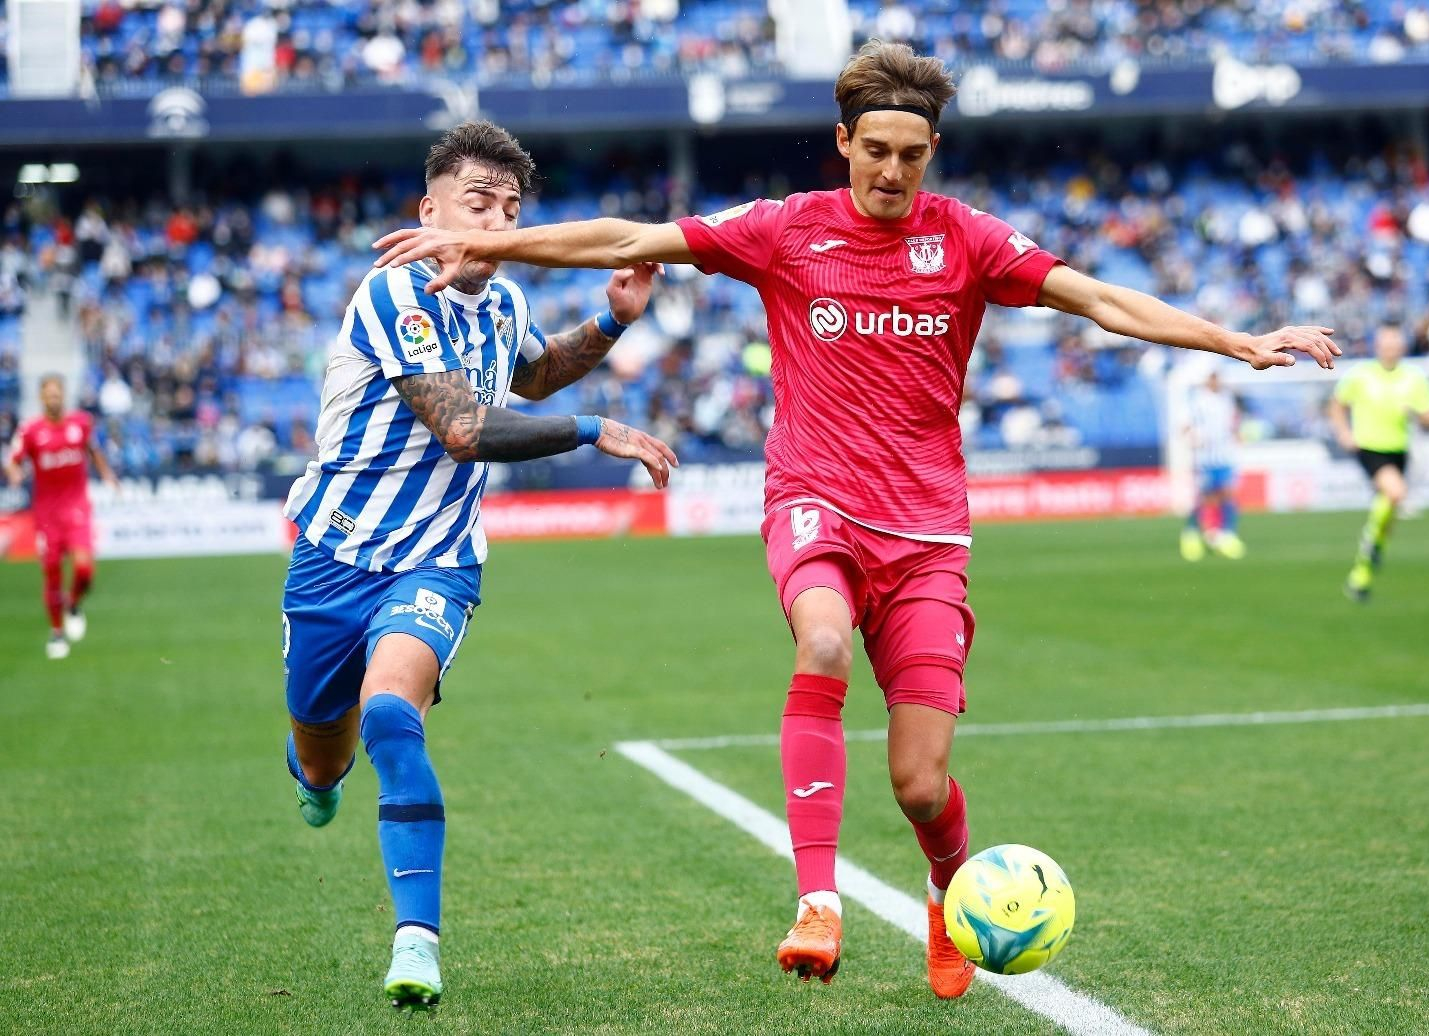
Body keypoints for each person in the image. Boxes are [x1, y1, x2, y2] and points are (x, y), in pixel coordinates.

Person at [371, 42, 1339, 999]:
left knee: (920, 784)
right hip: (814, 506)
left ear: (930, 154)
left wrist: (1236, 341)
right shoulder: (786, 230)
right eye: (874, 149)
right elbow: (630, 238)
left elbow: (1093, 298)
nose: (890, 171)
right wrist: (487, 244)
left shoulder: (966, 241)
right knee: (822, 641)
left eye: (910, 156)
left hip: (927, 540)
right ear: (843, 142)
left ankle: (946, 888)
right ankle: (817, 901)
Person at [281, 121, 677, 1010]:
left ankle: (415, 942)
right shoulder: (390, 295)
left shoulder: (500, 306)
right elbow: (463, 427)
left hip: (438, 559)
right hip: (333, 557)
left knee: (390, 713)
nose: (496, 223)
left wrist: (610, 321)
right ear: (431, 211)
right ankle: (313, 773)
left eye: (510, 209)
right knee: (321, 754)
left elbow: (530, 379)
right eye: (477, 204)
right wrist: (593, 430)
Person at [4, 374, 119, 659]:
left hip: (77, 509)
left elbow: (94, 451)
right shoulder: (30, 431)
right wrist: (15, 474)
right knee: (52, 575)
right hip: (46, 515)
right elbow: (12, 461)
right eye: (49, 395)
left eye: (58, 394)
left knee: (84, 571)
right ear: (42, 398)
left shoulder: (80, 423)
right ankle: (56, 632)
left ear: (63, 396)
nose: (54, 399)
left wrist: (106, 474)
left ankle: (74, 603)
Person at [1327, 324, 1429, 601]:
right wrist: (1343, 432)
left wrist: (1416, 412)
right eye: (1385, 345)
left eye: (1395, 345)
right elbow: (1337, 404)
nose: (1390, 350)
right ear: (1377, 347)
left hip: (1399, 450)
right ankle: (1371, 544)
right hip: (1369, 448)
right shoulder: (1360, 375)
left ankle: (1362, 571)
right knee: (1395, 492)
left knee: (1389, 504)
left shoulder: (1414, 378)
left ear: (1402, 348)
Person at [1181, 368, 1245, 561]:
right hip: (1205, 458)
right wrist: (1193, 438)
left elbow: (1232, 424)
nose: (1216, 381)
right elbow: (1184, 427)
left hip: (1225, 455)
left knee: (1228, 493)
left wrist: (1237, 436)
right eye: (1213, 377)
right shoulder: (1196, 401)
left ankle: (1226, 535)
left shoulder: (1226, 399)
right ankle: (1191, 534)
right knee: (1207, 499)